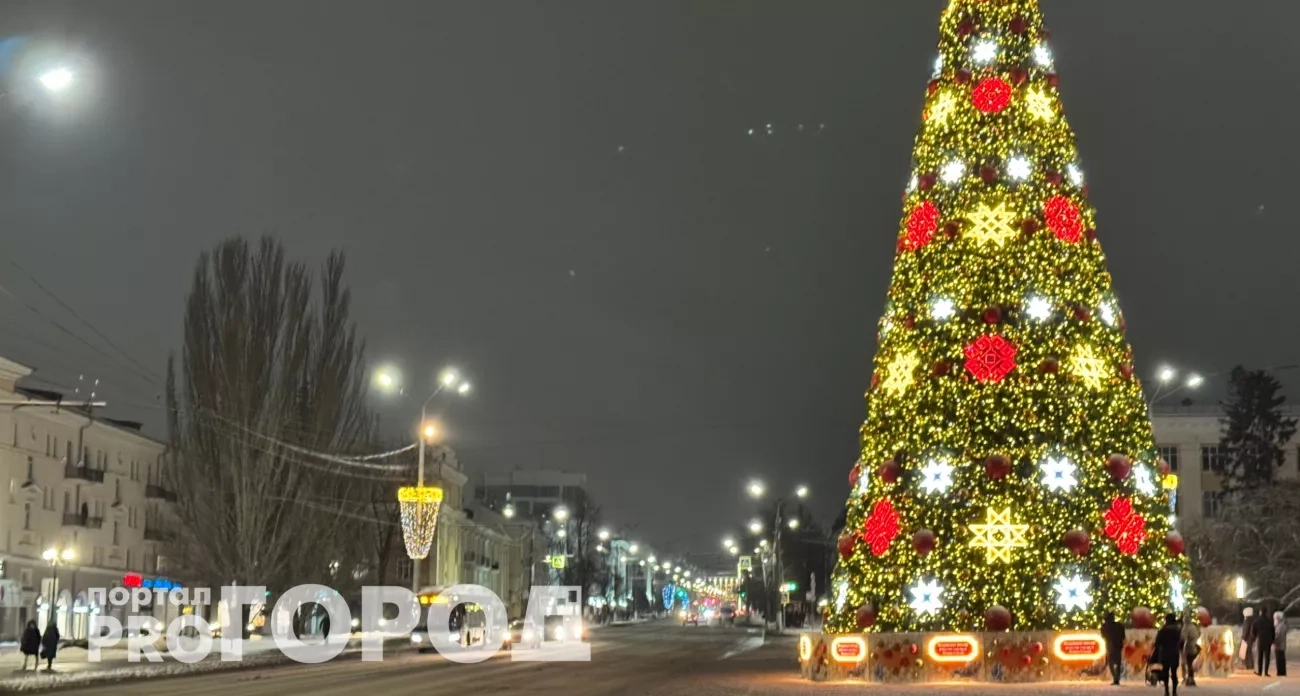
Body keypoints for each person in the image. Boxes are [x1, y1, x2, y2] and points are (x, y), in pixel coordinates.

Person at [1152, 613, 1183, 696]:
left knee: (1165, 672)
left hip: (1165, 653)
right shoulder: (1177, 630)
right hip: (1174, 653)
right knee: (1174, 672)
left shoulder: (1163, 630)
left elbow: (1157, 642)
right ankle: (1174, 691)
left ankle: (1166, 691)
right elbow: (1181, 641)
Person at [1103, 611, 1126, 685]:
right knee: (1118, 662)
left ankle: (1115, 677)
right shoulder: (1119, 625)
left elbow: (1104, 635)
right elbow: (1123, 636)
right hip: (1118, 646)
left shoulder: (1105, 626)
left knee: (1111, 662)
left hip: (1110, 645)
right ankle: (1117, 678)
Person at [1181, 608, 1201, 686]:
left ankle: (1190, 678)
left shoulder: (1186, 627)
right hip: (1195, 646)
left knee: (1188, 663)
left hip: (1189, 647)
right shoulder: (1194, 626)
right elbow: (1198, 634)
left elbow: (1183, 637)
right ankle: (1191, 677)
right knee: (1191, 663)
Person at [1257, 604, 1276, 676]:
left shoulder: (1257, 621)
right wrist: (1273, 640)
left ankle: (1259, 671)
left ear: (1261, 612)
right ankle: (1266, 672)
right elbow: (1273, 631)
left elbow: (1253, 629)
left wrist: (1255, 635)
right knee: (1267, 657)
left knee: (1260, 656)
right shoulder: (1269, 621)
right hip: (1268, 641)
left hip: (1260, 640)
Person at [1275, 611, 1288, 677]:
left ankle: (1281, 672)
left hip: (1280, 644)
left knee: (1280, 658)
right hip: (1281, 644)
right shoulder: (1281, 625)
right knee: (1280, 658)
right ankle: (1281, 671)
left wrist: (1274, 640)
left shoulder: (1281, 626)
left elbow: (1278, 635)